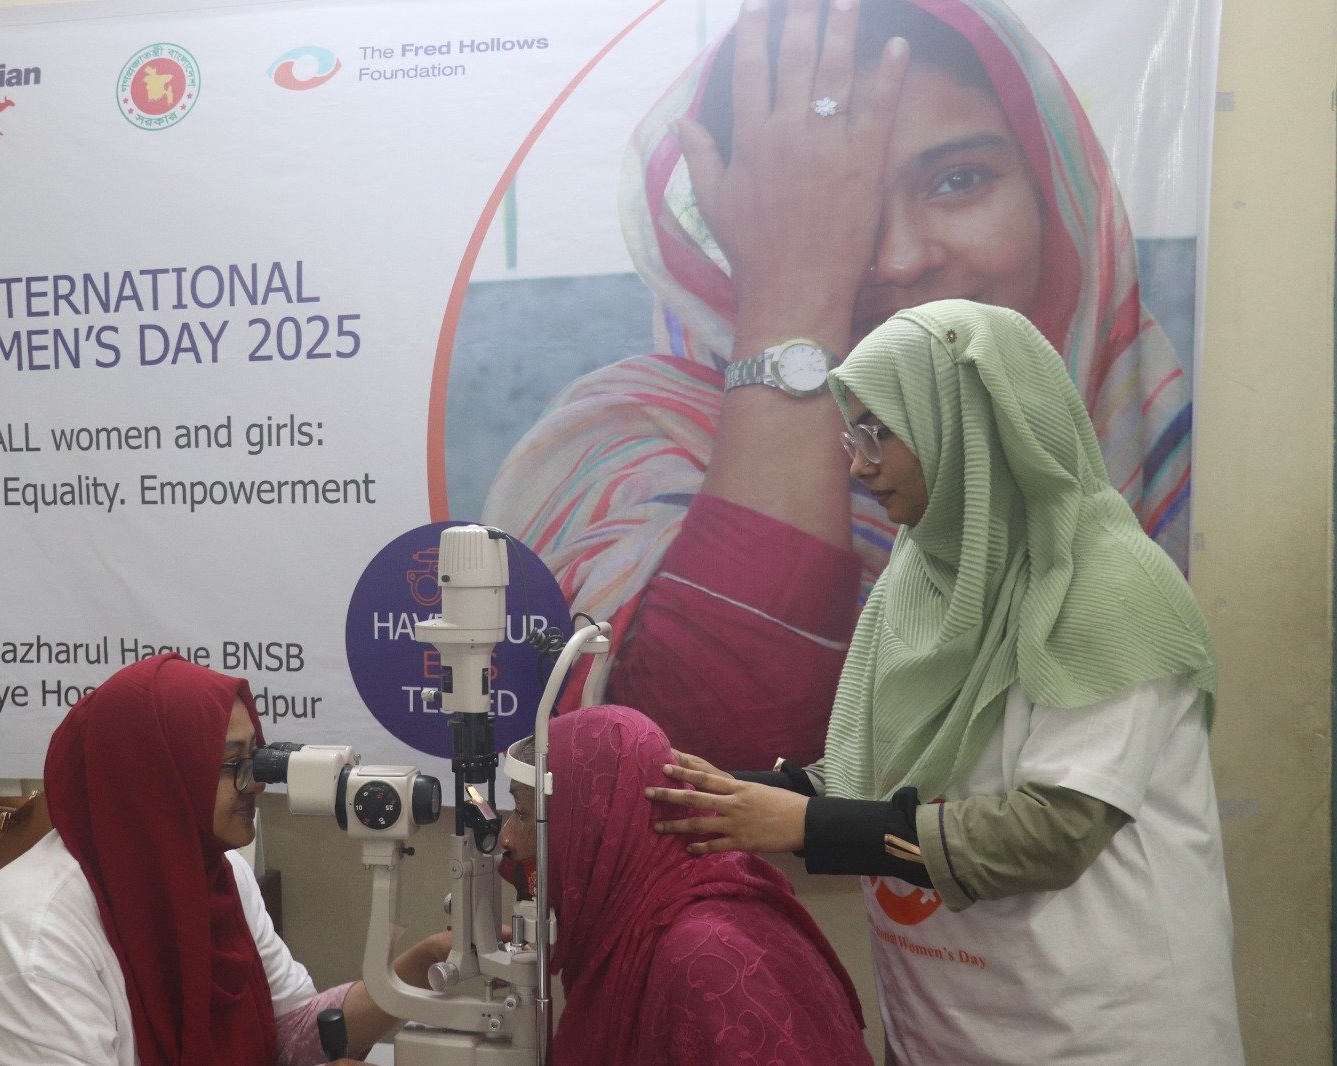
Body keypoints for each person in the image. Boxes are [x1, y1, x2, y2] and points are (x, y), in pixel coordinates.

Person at [482, 0, 1194, 771]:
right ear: (735, 224)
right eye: (817, 208)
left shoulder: (1142, 432)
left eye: (957, 180)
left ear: (1055, 189)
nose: (898, 259)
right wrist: (793, 301)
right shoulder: (631, 443)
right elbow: (705, 758)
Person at [646, 301, 1240, 1064]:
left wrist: (803, 824)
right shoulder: (920, 577)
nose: (857, 465)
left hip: (1100, 1041)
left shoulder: (1109, 589)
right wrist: (710, 797)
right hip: (943, 1035)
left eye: (876, 433)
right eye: (849, 435)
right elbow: (887, 774)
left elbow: (1050, 835)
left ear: (964, 422)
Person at [0, 653, 450, 1065]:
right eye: (231, 764)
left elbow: (290, 1031)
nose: (257, 782)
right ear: (153, 775)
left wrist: (424, 963)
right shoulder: (30, 937)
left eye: (256, 756)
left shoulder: (219, 875)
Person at [496, 704, 871, 1064]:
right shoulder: (641, 918)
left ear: (598, 825)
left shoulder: (707, 956)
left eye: (524, 813)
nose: (507, 839)